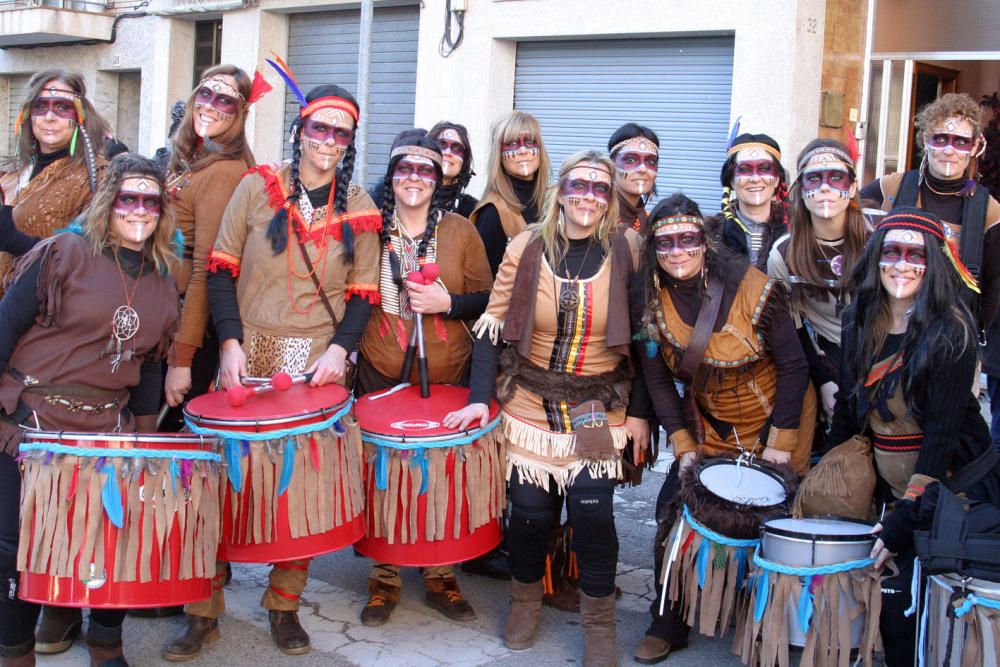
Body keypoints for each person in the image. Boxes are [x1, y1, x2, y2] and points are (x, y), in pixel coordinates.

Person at [162, 82, 381, 660]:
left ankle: (284, 605)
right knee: (219, 486)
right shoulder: (256, 187)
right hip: (249, 348)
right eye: (319, 129)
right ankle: (201, 610)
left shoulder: (359, 205)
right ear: (300, 131)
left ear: (350, 141)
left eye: (341, 133)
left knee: (298, 491)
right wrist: (229, 345)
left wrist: (340, 351)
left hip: (315, 362)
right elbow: (219, 268)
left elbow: (362, 295)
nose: (328, 142)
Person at [446, 150, 648, 666]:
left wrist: (643, 413)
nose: (588, 196)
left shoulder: (628, 248)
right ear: (560, 190)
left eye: (600, 189)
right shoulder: (526, 245)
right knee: (530, 516)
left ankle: (598, 625)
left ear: (609, 199)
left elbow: (649, 343)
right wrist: (477, 402)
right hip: (530, 403)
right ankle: (525, 600)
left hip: (597, 405)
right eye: (578, 185)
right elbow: (491, 328)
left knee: (592, 511)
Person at [0, 153, 180, 667]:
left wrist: (145, 437)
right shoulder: (64, 253)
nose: (140, 210)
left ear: (162, 210)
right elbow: (6, 326)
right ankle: (15, 651)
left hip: (106, 427)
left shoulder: (162, 278)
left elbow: (147, 367)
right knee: (15, 547)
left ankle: (105, 645)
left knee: (112, 542)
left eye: (151, 200)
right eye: (130, 198)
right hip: (32, 421)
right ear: (109, 202)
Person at [630, 193, 813, 664]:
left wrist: (782, 443)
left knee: (776, 521)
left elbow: (794, 367)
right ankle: (669, 618)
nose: (677, 250)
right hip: (709, 426)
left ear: (705, 242)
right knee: (672, 507)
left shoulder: (755, 288)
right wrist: (684, 442)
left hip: (777, 419)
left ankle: (764, 622)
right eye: (665, 242)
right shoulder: (647, 296)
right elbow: (655, 377)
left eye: (687, 239)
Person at [828, 207, 1000, 667]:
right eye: (892, 251)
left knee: (909, 608)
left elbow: (941, 437)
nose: (902, 264)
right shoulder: (856, 322)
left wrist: (908, 515)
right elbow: (850, 407)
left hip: (952, 484)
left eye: (916, 255)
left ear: (935, 265)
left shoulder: (953, 333)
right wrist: (825, 474)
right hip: (889, 481)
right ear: (875, 258)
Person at [354, 133, 492, 625]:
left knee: (438, 477)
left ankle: (440, 575)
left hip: (446, 373)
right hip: (380, 372)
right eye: (405, 168)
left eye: (426, 170)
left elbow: (487, 305)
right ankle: (384, 578)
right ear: (392, 176)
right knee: (387, 479)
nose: (415, 177)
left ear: (440, 179)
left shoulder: (461, 231)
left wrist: (446, 303)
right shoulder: (368, 229)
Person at [858, 92, 1000, 449]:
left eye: (960, 141)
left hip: (951, 344)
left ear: (974, 147)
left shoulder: (989, 211)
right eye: (940, 138)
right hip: (888, 334)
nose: (949, 150)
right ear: (925, 141)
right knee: (879, 427)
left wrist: (971, 343)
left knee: (940, 439)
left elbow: (993, 289)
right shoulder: (892, 189)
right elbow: (847, 224)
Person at [161, 65, 261, 430]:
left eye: (225, 101)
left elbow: (209, 267)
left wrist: (181, 360)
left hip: (186, 330)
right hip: (165, 317)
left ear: (241, 113)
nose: (211, 106)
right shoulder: (199, 161)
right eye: (205, 94)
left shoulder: (225, 172)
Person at [768, 138, 868, 442]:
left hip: (881, 355)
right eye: (814, 178)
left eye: (836, 177)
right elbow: (793, 330)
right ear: (801, 190)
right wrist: (823, 381)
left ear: (851, 188)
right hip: (827, 358)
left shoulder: (880, 238)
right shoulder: (783, 255)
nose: (825, 188)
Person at [0, 69, 107, 297]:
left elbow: (92, 260)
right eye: (41, 106)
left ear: (80, 116)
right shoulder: (11, 174)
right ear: (28, 115)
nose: (50, 117)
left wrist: (14, 240)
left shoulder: (98, 176)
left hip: (48, 312)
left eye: (61, 107)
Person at [469, 111, 550, 277]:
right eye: (512, 143)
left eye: (529, 141)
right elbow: (485, 286)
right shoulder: (493, 212)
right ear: (498, 154)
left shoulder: (555, 200)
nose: (522, 150)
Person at [707, 132, 789, 270]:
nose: (755, 179)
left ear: (777, 180)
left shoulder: (797, 233)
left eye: (764, 168)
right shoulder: (711, 236)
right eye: (744, 170)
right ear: (731, 181)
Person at [607, 123, 660, 233]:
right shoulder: (598, 214)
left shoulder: (644, 217)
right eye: (630, 160)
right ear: (612, 164)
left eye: (650, 161)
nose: (642, 169)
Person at [429, 121, 479, 218]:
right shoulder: (405, 198)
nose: (448, 152)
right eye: (441, 145)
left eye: (456, 148)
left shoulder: (474, 210)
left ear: (464, 162)